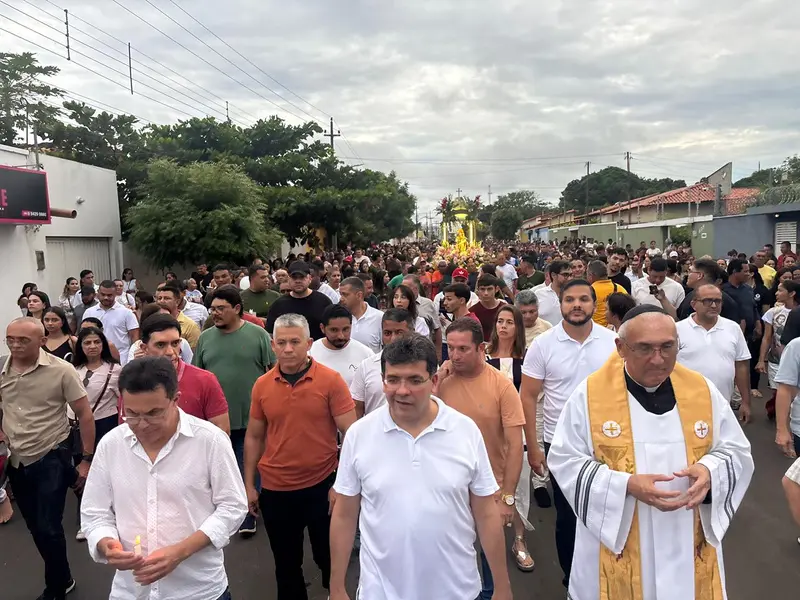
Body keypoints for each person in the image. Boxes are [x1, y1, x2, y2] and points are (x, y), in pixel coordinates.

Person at [548, 307, 754, 599]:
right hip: (620, 533)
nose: (658, 359)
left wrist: (710, 471)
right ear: (620, 347)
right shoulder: (590, 395)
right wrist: (625, 485)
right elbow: (565, 459)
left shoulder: (702, 391)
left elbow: (736, 450)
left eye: (667, 347)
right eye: (645, 348)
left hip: (686, 528)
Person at [329, 335, 513, 600]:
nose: (402, 390)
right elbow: (345, 515)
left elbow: (485, 513)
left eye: (415, 380)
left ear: (434, 381)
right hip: (380, 591)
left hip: (456, 590)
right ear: (383, 381)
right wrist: (336, 588)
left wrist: (502, 587)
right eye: (393, 380)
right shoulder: (359, 434)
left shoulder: (464, 431)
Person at [80, 356, 247, 600]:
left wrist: (181, 551)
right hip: (131, 591)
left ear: (175, 400)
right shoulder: (111, 444)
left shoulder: (210, 441)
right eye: (132, 414)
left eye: (154, 413)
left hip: (198, 590)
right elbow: (95, 511)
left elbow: (233, 507)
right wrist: (106, 544)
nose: (142, 424)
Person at [244, 313, 357, 600]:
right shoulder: (262, 385)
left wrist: (340, 485)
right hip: (276, 489)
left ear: (309, 343)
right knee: (286, 566)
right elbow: (255, 436)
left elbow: (353, 435)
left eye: (295, 341)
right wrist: (248, 486)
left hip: (322, 487)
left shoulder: (331, 381)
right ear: (272, 345)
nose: (288, 348)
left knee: (329, 558)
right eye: (281, 342)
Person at [519, 279, 618, 587]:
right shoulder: (543, 344)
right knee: (568, 515)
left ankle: (608, 576)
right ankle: (572, 579)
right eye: (570, 299)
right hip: (560, 443)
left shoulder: (613, 342)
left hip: (608, 441)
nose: (577, 305)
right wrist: (533, 448)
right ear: (560, 304)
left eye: (584, 299)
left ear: (594, 304)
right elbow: (528, 396)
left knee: (608, 511)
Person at [1, 317, 95, 599]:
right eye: (10, 339)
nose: (15, 345)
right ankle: (63, 575)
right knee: (36, 527)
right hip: (17, 459)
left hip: (51, 455)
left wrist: (86, 460)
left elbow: (85, 414)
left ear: (42, 342)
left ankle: (57, 586)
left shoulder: (62, 371)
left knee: (49, 527)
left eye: (23, 340)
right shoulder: (1, 368)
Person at [194, 284, 276, 537]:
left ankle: (248, 512)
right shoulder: (205, 338)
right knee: (219, 467)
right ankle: (226, 510)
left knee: (249, 465)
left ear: (237, 309)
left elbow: (272, 371)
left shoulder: (258, 335)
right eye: (212, 308)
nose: (215, 313)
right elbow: (199, 375)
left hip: (251, 417)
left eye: (221, 308)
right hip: (216, 420)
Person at [132, 314, 230, 433]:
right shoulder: (132, 382)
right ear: (144, 348)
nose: (170, 352)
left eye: (175, 343)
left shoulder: (205, 380)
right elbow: (128, 433)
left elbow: (221, 431)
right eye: (160, 345)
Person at [676, 284, 752, 421]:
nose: (713, 305)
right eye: (707, 301)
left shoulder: (733, 328)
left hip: (722, 406)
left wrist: (745, 402)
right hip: (684, 407)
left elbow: (741, 366)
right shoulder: (677, 330)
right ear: (694, 304)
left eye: (717, 301)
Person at [349, 309, 415, 418]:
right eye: (387, 333)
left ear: (412, 332)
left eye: (399, 332)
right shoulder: (366, 366)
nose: (393, 338)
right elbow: (357, 409)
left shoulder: (425, 365)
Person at [757, 280, 799, 420]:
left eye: (780, 290)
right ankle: (783, 422)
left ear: (792, 293)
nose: (776, 293)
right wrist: (761, 360)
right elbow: (767, 337)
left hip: (795, 360)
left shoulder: (797, 313)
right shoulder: (773, 312)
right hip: (776, 360)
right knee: (780, 392)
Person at [309, 304, 374, 387]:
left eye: (345, 329)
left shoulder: (366, 354)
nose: (341, 336)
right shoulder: (310, 353)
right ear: (322, 328)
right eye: (334, 330)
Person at [266, 261, 332, 341]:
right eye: (294, 277)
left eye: (302, 277)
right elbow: (270, 334)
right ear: (289, 279)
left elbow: (331, 330)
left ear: (309, 278)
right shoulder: (278, 305)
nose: (298, 281)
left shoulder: (323, 302)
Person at [82, 280, 140, 366]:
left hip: (122, 362)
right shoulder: (89, 312)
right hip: (96, 361)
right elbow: (84, 336)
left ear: (115, 294)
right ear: (98, 293)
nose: (106, 297)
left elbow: (135, 339)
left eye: (109, 295)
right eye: (103, 294)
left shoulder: (127, 313)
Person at [677, 258, 741, 322]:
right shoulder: (690, 295)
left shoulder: (725, 301)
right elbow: (678, 318)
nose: (687, 274)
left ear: (699, 275)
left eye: (690, 271)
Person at [338, 276, 383, 353]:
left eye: (345, 295)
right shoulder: (338, 317)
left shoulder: (379, 317)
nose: (341, 298)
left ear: (359, 295)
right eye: (340, 294)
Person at [157, 282, 202, 350]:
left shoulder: (190, 326)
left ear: (177, 302)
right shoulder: (152, 321)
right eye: (159, 298)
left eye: (166, 298)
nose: (162, 301)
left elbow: (194, 355)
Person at [587, 259, 628, 328]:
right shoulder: (620, 289)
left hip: (594, 332)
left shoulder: (587, 292)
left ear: (591, 275)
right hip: (616, 332)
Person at [469, 274, 506, 342]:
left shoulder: (505, 308)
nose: (486, 293)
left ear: (496, 289)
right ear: (478, 290)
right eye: (482, 289)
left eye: (489, 289)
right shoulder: (472, 311)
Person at [534, 260, 572, 326]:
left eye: (570, 275)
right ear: (553, 275)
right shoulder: (539, 294)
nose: (569, 278)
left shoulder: (574, 294)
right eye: (565, 275)